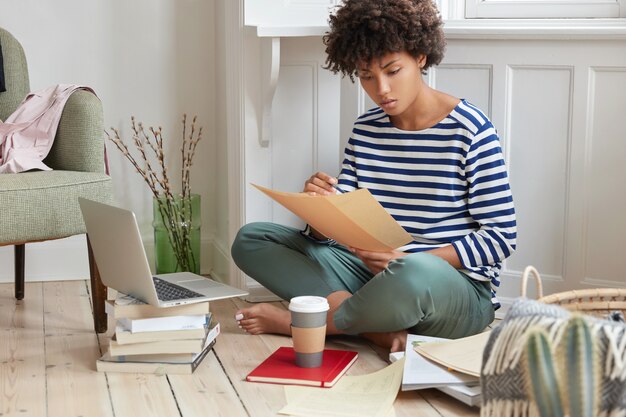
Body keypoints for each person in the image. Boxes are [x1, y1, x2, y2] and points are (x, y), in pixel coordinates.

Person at [231, 0, 516, 352]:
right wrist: (317, 207)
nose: (381, 89)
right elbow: (334, 230)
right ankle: (373, 330)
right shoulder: (366, 129)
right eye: (367, 76)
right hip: (368, 277)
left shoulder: (471, 130)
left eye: (392, 71)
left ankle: (308, 324)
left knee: (413, 275)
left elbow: (501, 237)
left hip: (449, 290)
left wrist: (413, 259)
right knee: (252, 239)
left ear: (420, 57)